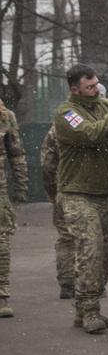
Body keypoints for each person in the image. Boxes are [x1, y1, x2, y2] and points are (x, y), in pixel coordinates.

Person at [53, 64, 108, 333]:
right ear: (75, 89)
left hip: (106, 192)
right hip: (78, 194)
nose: (96, 89)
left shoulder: (107, 106)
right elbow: (90, 134)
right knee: (90, 249)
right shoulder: (66, 113)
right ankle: (88, 309)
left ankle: (88, 308)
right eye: (90, 86)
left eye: (97, 84)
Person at [0, 98, 28, 317]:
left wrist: (21, 186)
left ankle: (2, 295)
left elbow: (16, 154)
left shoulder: (5, 116)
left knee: (2, 241)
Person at [40, 126, 76, 298]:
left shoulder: (57, 129)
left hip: (64, 189)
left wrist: (52, 193)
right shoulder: (95, 125)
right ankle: (90, 283)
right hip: (90, 191)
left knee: (66, 237)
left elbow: (47, 165)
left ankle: (67, 283)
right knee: (91, 239)